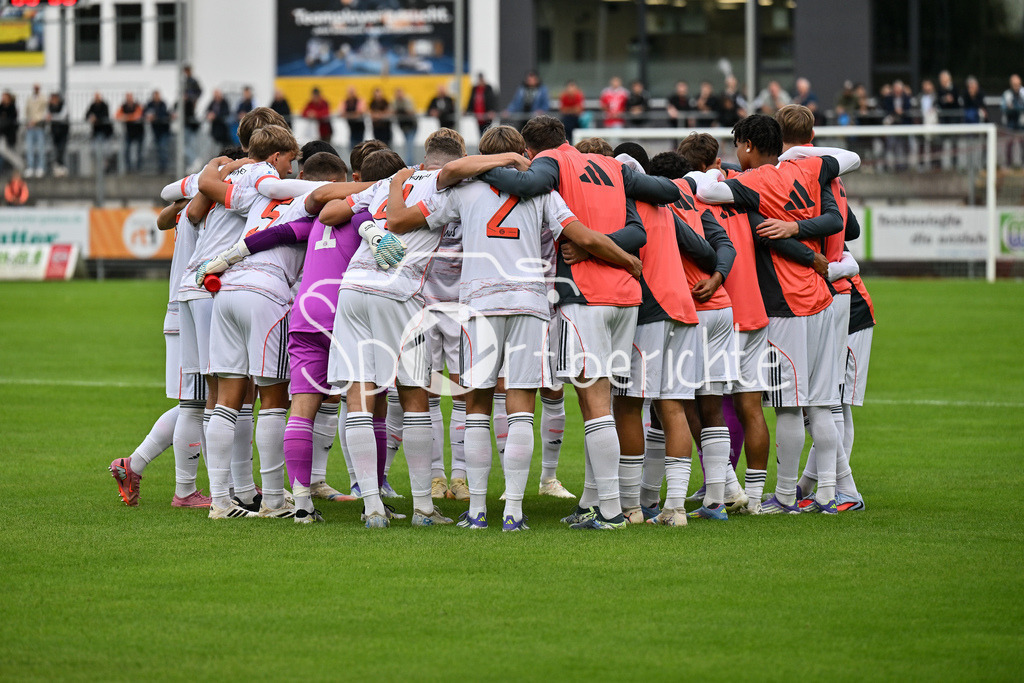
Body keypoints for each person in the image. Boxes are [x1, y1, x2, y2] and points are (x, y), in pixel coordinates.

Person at [387, 125, 641, 530]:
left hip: (479, 302)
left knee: (476, 408)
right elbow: (582, 237)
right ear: (522, 153)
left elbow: (398, 222)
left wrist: (399, 184)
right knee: (521, 407)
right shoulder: (543, 193)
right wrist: (626, 259)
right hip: (529, 301)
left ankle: (477, 512)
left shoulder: (461, 191)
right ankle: (515, 512)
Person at [478, 115, 680, 529]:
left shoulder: (551, 163)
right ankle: (597, 502)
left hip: (584, 296)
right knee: (603, 403)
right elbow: (639, 229)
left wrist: (481, 163)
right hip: (625, 298)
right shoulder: (610, 166)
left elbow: (525, 186)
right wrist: (605, 252)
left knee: (595, 405)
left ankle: (610, 511)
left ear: (532, 151)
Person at [693, 113, 861, 514]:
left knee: (788, 404)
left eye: (738, 145)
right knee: (821, 403)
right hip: (822, 298)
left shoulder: (751, 182)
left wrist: (718, 178)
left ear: (748, 145)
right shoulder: (812, 168)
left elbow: (710, 195)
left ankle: (786, 496)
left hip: (787, 305)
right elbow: (850, 160)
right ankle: (827, 495)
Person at [319, 136, 468, 528]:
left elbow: (332, 211)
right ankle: (422, 509)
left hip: (352, 287)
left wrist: (368, 227)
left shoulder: (392, 181)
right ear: (458, 162)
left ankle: (371, 508)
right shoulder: (445, 190)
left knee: (359, 395)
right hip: (398, 291)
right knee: (415, 394)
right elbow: (404, 221)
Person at [116, 93, 145, 172]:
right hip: (129, 133)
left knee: (139, 151)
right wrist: (129, 117)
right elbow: (117, 115)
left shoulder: (137, 105)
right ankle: (128, 168)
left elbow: (137, 115)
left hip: (139, 132)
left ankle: (139, 168)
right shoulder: (123, 106)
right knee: (127, 150)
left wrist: (126, 117)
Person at [86, 92, 114, 174]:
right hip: (96, 132)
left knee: (106, 152)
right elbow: (86, 115)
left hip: (105, 133)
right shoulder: (92, 106)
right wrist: (90, 117)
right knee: (95, 151)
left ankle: (106, 167)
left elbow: (105, 116)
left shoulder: (104, 105)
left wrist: (96, 118)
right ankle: (100, 169)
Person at [145, 90, 172, 174]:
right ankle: (160, 166)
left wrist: (155, 117)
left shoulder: (163, 104)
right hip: (155, 131)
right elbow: (144, 113)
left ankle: (164, 167)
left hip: (164, 131)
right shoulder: (150, 104)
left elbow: (165, 114)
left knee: (163, 148)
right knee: (158, 149)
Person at [24, 84, 47, 178]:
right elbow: (27, 111)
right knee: (29, 148)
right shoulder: (30, 99)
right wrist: (28, 121)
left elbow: (43, 112)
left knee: (40, 148)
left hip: (39, 127)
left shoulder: (43, 99)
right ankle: (30, 166)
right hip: (30, 127)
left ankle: (40, 167)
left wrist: (35, 121)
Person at [1002, 74, 1024, 165]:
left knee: (1022, 144)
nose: (1016, 86)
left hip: (1021, 122)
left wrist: (1014, 108)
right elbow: (1004, 108)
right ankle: (1009, 164)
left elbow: (1015, 107)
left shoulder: (1023, 93)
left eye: (1017, 84)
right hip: (1010, 122)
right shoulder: (1007, 94)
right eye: (1014, 84)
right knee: (1009, 145)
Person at [393, 88, 418, 162]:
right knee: (407, 144)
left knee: (409, 144)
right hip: (403, 126)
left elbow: (410, 111)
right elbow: (392, 111)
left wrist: (400, 110)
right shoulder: (395, 102)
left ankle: (409, 163)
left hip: (411, 126)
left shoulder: (407, 100)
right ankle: (409, 162)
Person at [47, 92, 69, 177]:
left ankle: (62, 166)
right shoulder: (49, 106)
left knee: (61, 149)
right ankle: (58, 167)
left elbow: (62, 116)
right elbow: (46, 115)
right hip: (54, 132)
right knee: (56, 150)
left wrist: (52, 117)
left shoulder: (63, 105)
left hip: (63, 132)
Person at [558, 80, 584, 145]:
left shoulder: (578, 95)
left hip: (576, 120)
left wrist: (569, 110)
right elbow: (563, 110)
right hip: (567, 120)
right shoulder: (564, 96)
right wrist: (573, 109)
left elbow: (578, 109)